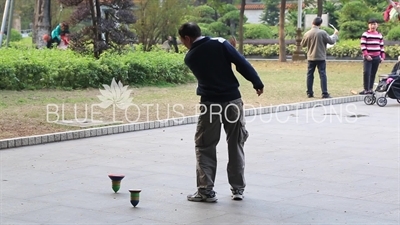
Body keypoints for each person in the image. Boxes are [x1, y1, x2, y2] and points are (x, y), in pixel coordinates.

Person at [178, 22, 264, 202]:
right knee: (236, 143)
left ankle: (206, 191)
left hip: (210, 105)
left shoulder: (190, 57)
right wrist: (256, 82)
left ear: (187, 38)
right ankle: (238, 189)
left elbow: (210, 68)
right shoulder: (220, 43)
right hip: (233, 101)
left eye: (182, 40)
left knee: (205, 145)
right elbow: (241, 63)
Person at [301, 17, 338, 98]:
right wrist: (335, 35)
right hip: (320, 57)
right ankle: (324, 93)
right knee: (322, 75)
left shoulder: (307, 33)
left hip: (311, 57)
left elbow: (302, 44)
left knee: (310, 75)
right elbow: (331, 41)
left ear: (312, 23)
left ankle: (309, 93)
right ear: (320, 24)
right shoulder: (322, 33)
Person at [359, 18, 385, 95]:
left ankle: (370, 89)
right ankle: (366, 89)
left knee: (373, 73)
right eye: (371, 24)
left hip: (376, 57)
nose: (372, 26)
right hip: (368, 57)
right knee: (367, 72)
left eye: (374, 24)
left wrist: (382, 57)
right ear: (368, 25)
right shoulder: (365, 34)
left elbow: (381, 47)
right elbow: (363, 46)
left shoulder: (379, 35)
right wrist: (366, 55)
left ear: (377, 25)